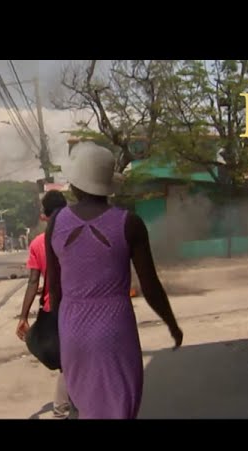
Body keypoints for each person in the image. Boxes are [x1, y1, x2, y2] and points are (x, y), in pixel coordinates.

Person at [45, 142, 183, 419]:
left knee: (87, 406)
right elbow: (150, 285)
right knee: (118, 405)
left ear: (75, 184)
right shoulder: (129, 223)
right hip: (113, 325)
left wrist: (56, 333)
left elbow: (54, 288)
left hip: (72, 327)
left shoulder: (56, 222)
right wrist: (171, 323)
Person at [16, 190, 71, 419]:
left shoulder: (38, 243)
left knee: (66, 363)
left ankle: (61, 411)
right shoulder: (77, 235)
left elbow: (32, 281)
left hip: (53, 311)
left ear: (43, 216)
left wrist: (23, 316)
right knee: (75, 361)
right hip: (80, 307)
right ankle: (69, 406)